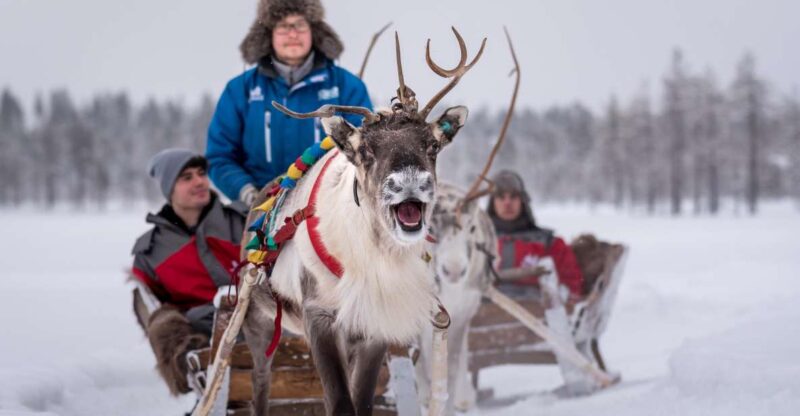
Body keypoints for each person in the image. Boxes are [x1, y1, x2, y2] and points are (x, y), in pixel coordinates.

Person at [206, 0, 373, 205]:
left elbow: (364, 150)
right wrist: (248, 192)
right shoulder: (240, 90)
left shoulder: (347, 86)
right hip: (257, 209)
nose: (293, 34)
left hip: (327, 207)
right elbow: (219, 156)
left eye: (300, 25)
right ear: (269, 33)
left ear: (314, 31)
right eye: (283, 26)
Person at [131, 148, 247, 395]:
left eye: (201, 173)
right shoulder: (151, 252)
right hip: (204, 338)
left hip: (263, 323)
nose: (199, 182)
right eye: (186, 177)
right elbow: (148, 308)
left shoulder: (242, 222)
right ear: (169, 188)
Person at [487, 170, 584, 301]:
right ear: (492, 203)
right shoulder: (477, 242)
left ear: (522, 201)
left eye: (513, 197)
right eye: (501, 197)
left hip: (536, 309)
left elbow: (571, 287)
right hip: (484, 308)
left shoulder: (549, 243)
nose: (507, 203)